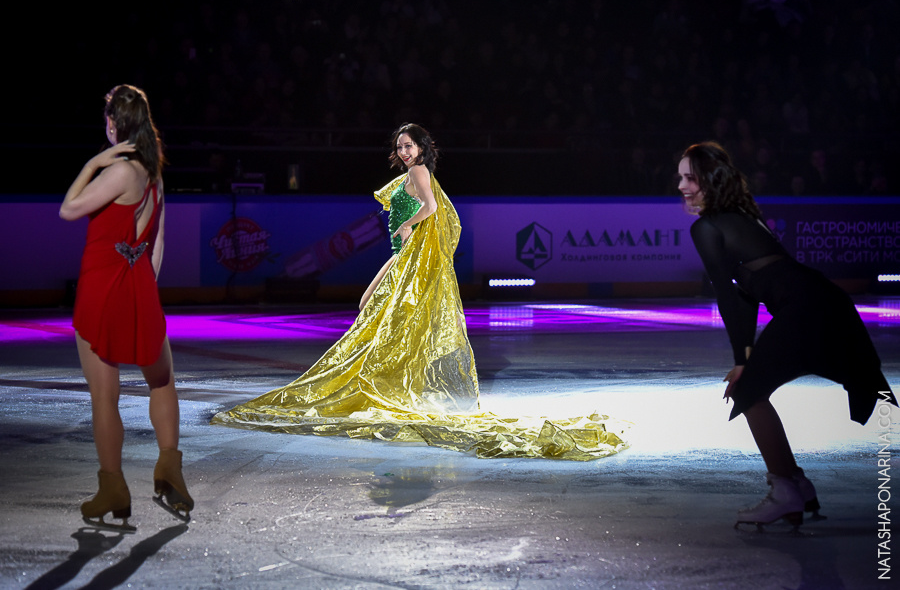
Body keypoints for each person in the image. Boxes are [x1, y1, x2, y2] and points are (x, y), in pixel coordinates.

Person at [213, 123, 626, 460]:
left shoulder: (420, 173)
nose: (405, 151)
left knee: (374, 314)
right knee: (366, 307)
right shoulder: (412, 173)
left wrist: (409, 226)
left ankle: (389, 383)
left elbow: (429, 207)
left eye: (410, 145)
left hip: (408, 260)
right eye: (400, 146)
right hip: (400, 260)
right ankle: (394, 380)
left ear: (422, 147)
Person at [677, 142, 896, 528]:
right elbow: (747, 298)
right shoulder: (743, 216)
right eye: (680, 177)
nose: (680, 186)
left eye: (689, 178)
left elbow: (728, 297)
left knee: (747, 393)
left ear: (710, 182)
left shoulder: (707, 227)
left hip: (806, 309)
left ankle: (786, 490)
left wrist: (744, 363)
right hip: (825, 301)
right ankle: (795, 485)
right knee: (750, 389)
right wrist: (743, 358)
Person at [60, 85, 193, 532]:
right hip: (138, 285)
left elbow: (69, 209)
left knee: (105, 395)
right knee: (161, 379)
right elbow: (157, 245)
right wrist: (142, 289)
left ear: (114, 124)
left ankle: (113, 487)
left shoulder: (118, 172)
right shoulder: (154, 175)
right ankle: (169, 469)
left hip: (102, 288)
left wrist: (94, 162)